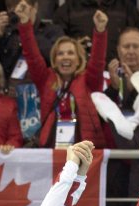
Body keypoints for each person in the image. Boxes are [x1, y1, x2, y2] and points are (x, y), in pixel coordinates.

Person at [20, 5, 110, 147]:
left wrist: (100, 31)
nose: (65, 57)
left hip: (84, 149)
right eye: (60, 54)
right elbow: (31, 55)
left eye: (70, 53)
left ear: (79, 59)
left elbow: (98, 60)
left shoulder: (89, 80)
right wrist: (25, 24)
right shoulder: (46, 79)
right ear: (54, 60)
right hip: (51, 146)